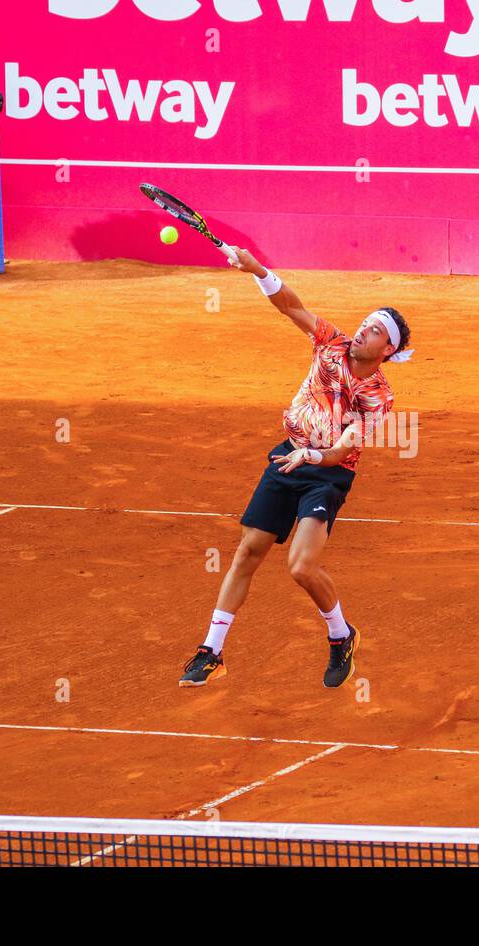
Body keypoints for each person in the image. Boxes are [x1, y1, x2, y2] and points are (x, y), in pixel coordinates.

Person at [180, 247, 411, 690]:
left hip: (325, 474)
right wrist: (257, 270)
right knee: (248, 552)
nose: (364, 330)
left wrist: (312, 457)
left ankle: (341, 636)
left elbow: (343, 451)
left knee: (301, 567)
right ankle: (212, 652)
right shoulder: (333, 342)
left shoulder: (380, 396)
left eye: (376, 330)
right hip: (288, 455)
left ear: (388, 349)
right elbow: (292, 306)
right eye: (367, 322)